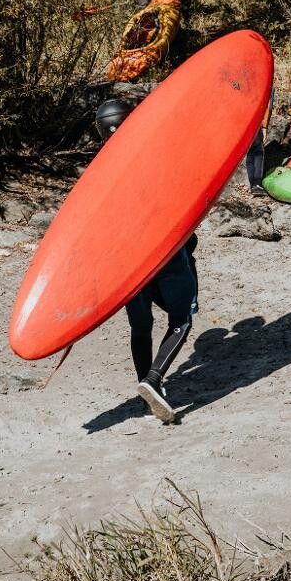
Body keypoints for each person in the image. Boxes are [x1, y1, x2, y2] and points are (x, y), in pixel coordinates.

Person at [95, 99, 198, 424]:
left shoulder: (98, 171)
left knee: (141, 326)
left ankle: (147, 390)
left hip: (127, 262)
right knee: (181, 320)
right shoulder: (155, 157)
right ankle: (153, 380)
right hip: (165, 252)